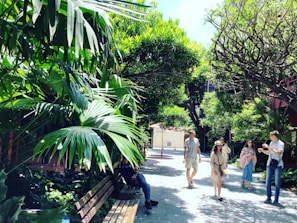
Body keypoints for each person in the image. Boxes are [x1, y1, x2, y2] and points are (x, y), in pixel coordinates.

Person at [258, 130, 284, 205]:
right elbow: (269, 153)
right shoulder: (271, 143)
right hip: (270, 164)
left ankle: (276, 199)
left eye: (271, 136)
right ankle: (268, 198)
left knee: (277, 183)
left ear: (274, 136)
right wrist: (262, 150)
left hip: (278, 165)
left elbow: (279, 153)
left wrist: (269, 147)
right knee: (268, 182)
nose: (270, 137)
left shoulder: (281, 144)